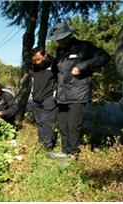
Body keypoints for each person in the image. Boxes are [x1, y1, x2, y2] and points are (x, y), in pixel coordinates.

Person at [49, 22, 110, 158]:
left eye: (62, 38)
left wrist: (82, 67)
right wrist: (55, 88)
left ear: (69, 36)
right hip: (62, 93)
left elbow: (104, 57)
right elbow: (56, 72)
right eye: (58, 39)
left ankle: (73, 153)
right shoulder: (59, 50)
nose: (59, 41)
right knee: (63, 124)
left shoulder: (84, 47)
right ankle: (65, 151)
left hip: (78, 93)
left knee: (73, 125)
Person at [30, 47, 57, 152]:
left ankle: (47, 147)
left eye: (38, 59)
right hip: (36, 98)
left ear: (45, 55)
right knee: (39, 122)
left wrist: (56, 91)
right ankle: (41, 143)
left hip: (49, 97)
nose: (37, 62)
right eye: (34, 60)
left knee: (47, 122)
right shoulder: (34, 66)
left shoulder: (54, 64)